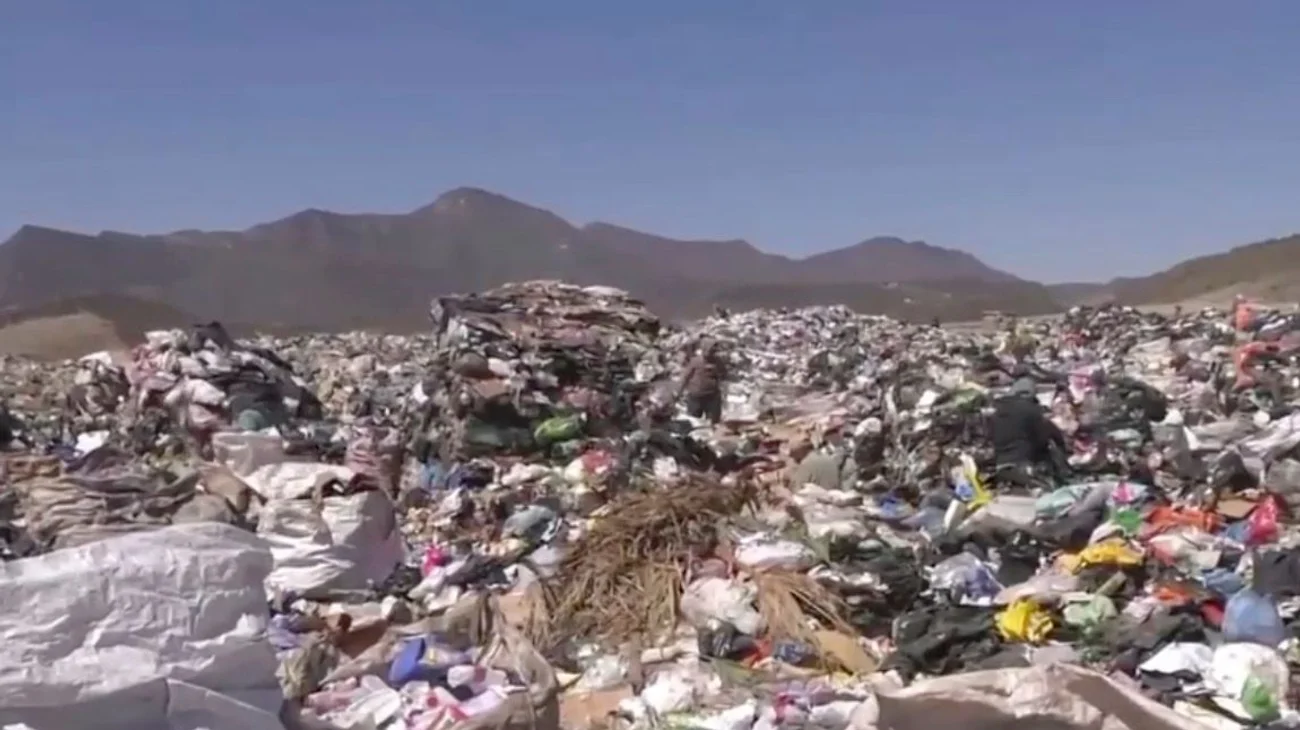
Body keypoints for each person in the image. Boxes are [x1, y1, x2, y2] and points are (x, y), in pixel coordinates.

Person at [991, 377, 1068, 488]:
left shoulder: (998, 411)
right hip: (1024, 460)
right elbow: (1044, 437)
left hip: (1000, 461)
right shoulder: (1032, 410)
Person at [680, 339, 727, 423]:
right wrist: (679, 392)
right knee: (693, 421)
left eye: (712, 350)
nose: (709, 353)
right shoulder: (695, 361)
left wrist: (717, 372)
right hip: (696, 397)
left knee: (713, 421)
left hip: (712, 396)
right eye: (707, 350)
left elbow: (724, 375)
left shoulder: (718, 361)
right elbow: (685, 377)